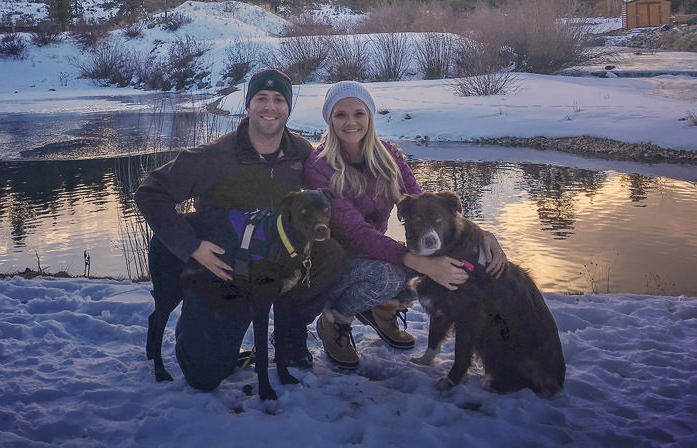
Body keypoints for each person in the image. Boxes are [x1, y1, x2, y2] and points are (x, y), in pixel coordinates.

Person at [135, 68, 346, 391]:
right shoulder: (216, 155)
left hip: (277, 268)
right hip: (225, 274)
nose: (270, 107)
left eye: (279, 100)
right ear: (248, 106)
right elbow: (151, 193)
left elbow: (338, 199)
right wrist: (190, 246)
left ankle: (289, 334)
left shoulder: (304, 155)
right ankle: (198, 328)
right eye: (261, 98)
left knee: (331, 253)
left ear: (288, 108)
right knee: (205, 376)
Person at [304, 81, 505, 369]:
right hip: (334, 263)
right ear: (329, 119)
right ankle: (335, 320)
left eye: (359, 113)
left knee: (454, 265)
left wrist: (482, 234)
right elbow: (356, 233)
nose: (351, 122)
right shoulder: (319, 165)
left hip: (373, 253)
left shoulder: (388, 156)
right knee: (392, 276)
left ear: (370, 117)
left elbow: (425, 205)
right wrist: (421, 263)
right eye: (340, 115)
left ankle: (382, 309)